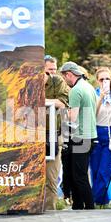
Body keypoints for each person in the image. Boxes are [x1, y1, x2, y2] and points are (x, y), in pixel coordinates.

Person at [60, 61, 97, 210]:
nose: (65, 81)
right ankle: (78, 205)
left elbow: (72, 118)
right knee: (79, 174)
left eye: (64, 78)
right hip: (90, 134)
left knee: (79, 176)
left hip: (80, 136)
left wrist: (61, 111)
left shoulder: (75, 91)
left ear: (69, 74)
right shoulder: (89, 87)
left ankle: (89, 207)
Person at [89, 67, 111, 206]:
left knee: (105, 170)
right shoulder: (94, 95)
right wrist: (102, 97)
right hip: (97, 131)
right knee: (95, 170)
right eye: (102, 79)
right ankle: (102, 200)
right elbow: (92, 114)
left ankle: (94, 201)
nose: (105, 81)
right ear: (97, 81)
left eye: (107, 78)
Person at [43, 55, 70, 210]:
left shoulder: (58, 82)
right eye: (49, 70)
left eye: (54, 70)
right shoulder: (29, 81)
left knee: (51, 177)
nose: (52, 73)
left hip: (53, 135)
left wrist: (40, 102)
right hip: (31, 135)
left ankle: (50, 211)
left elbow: (62, 103)